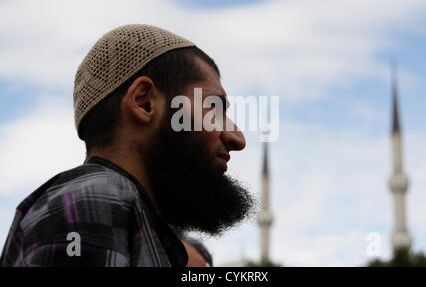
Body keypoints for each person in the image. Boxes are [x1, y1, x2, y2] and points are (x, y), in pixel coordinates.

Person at [0, 24, 255, 267]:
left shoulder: (128, 214)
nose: (237, 138)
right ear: (144, 102)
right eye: (214, 107)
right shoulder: (95, 199)